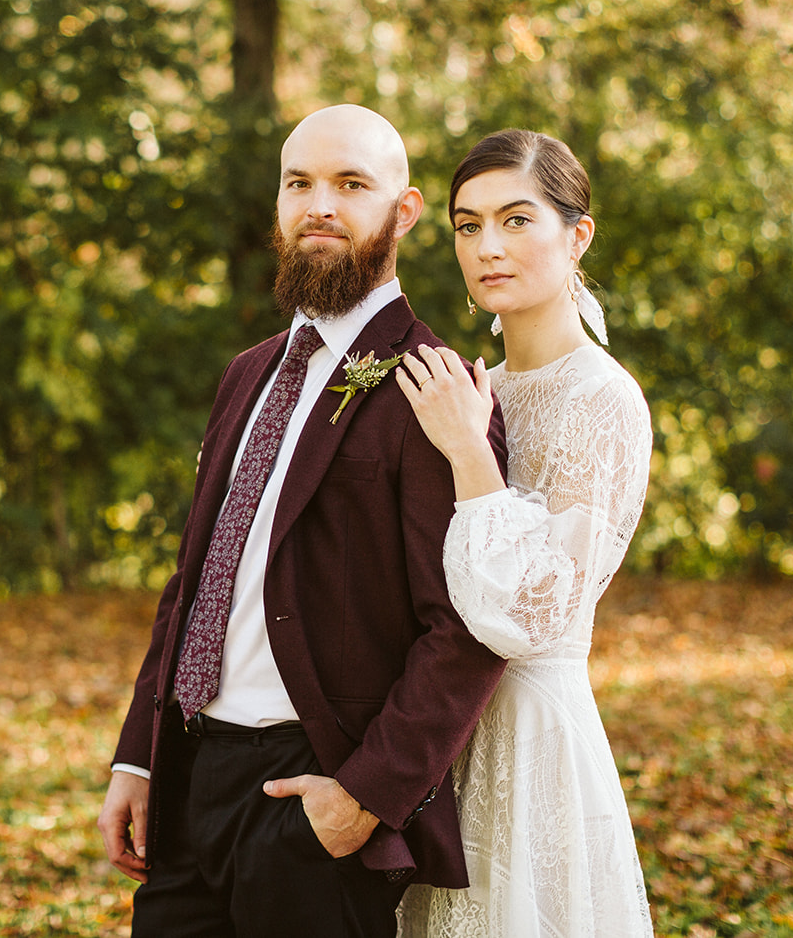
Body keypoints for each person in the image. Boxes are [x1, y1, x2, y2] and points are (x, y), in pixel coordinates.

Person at [97, 104, 508, 938]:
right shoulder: (247, 373)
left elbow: (465, 625)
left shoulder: (436, 388)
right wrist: (139, 753)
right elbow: (194, 580)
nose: (320, 203)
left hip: (315, 793)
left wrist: (366, 797)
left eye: (351, 184)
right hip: (191, 777)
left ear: (405, 210)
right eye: (300, 183)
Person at [394, 129, 656, 937]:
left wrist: (469, 452)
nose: (488, 246)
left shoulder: (604, 400)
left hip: (534, 737)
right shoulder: (477, 387)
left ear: (577, 236)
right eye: (468, 226)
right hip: (443, 734)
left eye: (515, 219)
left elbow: (531, 613)